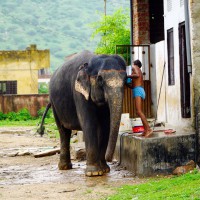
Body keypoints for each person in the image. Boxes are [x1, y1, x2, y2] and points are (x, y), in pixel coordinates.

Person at [126, 60, 153, 138]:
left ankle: (148, 129)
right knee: (138, 112)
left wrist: (127, 76)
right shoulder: (137, 70)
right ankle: (145, 130)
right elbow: (132, 86)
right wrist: (127, 84)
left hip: (138, 90)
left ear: (135, 64)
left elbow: (137, 75)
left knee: (139, 111)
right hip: (138, 89)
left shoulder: (135, 67)